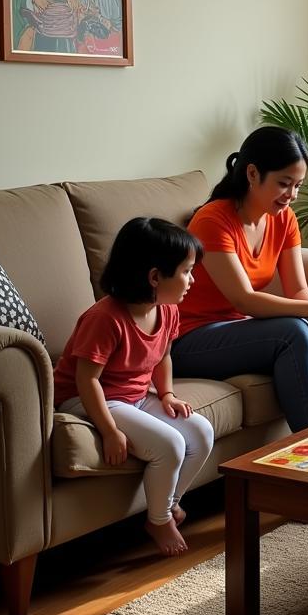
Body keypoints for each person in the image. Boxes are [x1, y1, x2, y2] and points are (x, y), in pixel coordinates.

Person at [52, 217, 214, 558]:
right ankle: (157, 520)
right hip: (85, 399)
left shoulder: (167, 310)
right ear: (154, 277)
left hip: (136, 396)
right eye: (186, 271)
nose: (192, 280)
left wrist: (166, 394)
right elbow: (87, 380)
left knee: (200, 432)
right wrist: (109, 431)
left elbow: (162, 357)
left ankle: (168, 505)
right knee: (169, 443)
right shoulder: (105, 318)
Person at [173, 127, 308, 431]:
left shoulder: (283, 219)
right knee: (293, 332)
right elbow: (244, 299)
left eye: (298, 185)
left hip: (236, 330)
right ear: (253, 173)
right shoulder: (212, 220)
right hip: (188, 339)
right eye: (284, 184)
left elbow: (298, 289)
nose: (292, 196)